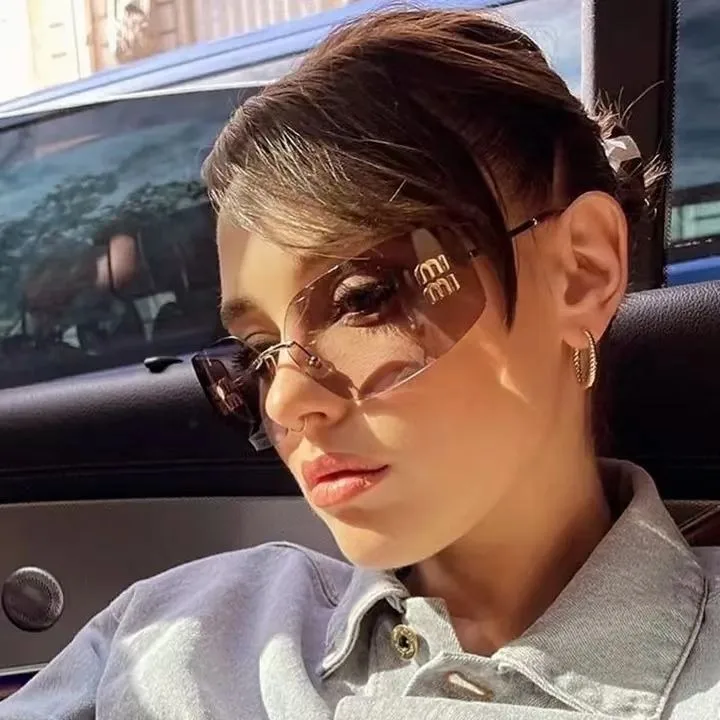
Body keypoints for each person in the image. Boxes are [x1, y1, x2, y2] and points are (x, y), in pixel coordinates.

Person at [1, 9, 717, 719]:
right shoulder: (170, 636)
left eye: (362, 299)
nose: (282, 401)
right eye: (256, 353)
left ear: (582, 271)